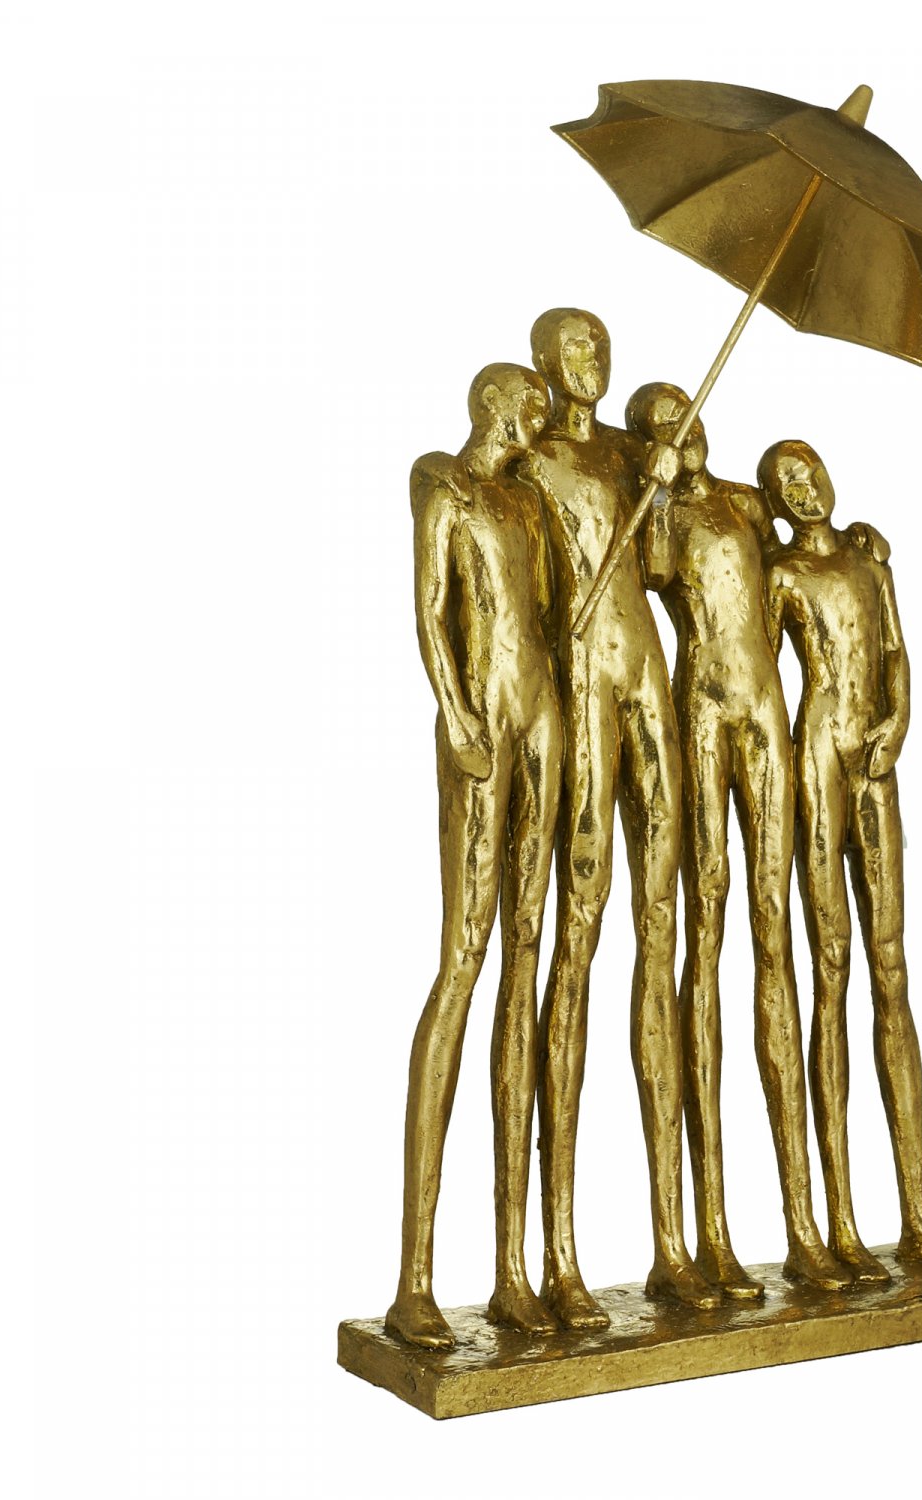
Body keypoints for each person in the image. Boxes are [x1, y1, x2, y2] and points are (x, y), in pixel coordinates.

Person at [627, 382, 852, 1298]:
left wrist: (861, 541)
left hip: (767, 706)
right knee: (706, 928)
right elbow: (651, 571)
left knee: (776, 930)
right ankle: (707, 1231)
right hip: (704, 705)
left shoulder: (749, 506)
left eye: (686, 413)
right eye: (661, 422)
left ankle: (807, 1225)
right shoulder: (663, 511)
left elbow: (800, 554)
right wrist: (655, 489)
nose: (683, 426)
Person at [518, 310, 718, 1327]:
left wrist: (669, 489)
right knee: (579, 938)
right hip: (582, 683)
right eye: (574, 349)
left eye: (599, 347)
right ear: (545, 364)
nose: (590, 363)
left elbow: (672, 574)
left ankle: (675, 1243)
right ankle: (558, 1253)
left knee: (662, 927)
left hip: (647, 673)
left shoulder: (636, 458)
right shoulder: (530, 460)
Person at [763, 439, 922, 1278]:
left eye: (809, 473)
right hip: (817, 753)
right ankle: (836, 1223)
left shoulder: (867, 559)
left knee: (891, 968)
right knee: (830, 968)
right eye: (786, 484)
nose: (803, 490)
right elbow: (751, 665)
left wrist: (899, 720)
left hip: (873, 755)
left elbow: (894, 651)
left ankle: (917, 1214)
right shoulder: (782, 573)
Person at [386, 363, 564, 1350]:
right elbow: (430, 611)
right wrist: (456, 715)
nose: (544, 412)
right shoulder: (443, 483)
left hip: (544, 716)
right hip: (483, 723)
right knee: (464, 959)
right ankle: (415, 1279)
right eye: (531, 400)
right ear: (495, 405)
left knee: (526, 961)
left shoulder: (530, 503)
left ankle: (512, 1271)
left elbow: (550, 615)